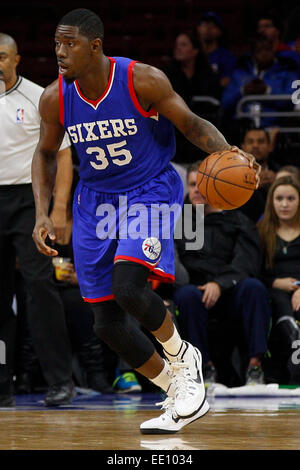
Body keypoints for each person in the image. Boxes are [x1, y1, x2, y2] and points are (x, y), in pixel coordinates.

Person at [31, 9, 259, 434]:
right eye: (56, 44)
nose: (60, 53)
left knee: (128, 285)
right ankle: (176, 389)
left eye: (70, 44)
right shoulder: (54, 97)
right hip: (95, 201)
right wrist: (43, 212)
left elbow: (190, 124)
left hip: (149, 189)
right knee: (107, 323)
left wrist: (230, 151)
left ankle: (183, 356)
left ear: (95, 46)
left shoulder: (142, 79)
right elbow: (45, 154)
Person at [0, 32, 75, 407]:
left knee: (40, 288)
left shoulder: (37, 96)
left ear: (16, 60)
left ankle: (60, 381)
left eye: (1, 57)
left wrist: (58, 210)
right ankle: (1, 385)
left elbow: (62, 156)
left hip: (29, 199)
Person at [173, 162, 272, 386]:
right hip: (194, 293)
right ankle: (204, 369)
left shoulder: (238, 221)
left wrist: (219, 284)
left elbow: (247, 263)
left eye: (202, 185)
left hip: (232, 292)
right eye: (192, 185)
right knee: (186, 295)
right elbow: (174, 266)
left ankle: (255, 367)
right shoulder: (178, 223)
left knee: (254, 288)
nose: (197, 190)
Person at [257, 176, 300, 384]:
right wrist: (276, 283)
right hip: (273, 291)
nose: (284, 204)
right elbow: (254, 271)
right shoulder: (262, 232)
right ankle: (291, 334)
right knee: (279, 298)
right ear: (271, 202)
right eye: (279, 198)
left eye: (291, 198)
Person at [164, 30, 221, 164]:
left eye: (183, 45)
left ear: (195, 51)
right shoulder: (167, 74)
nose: (178, 48)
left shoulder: (207, 74)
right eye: (177, 45)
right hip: (176, 132)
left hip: (202, 130)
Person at [222, 34, 299, 129]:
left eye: (267, 50)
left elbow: (294, 101)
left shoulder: (286, 72)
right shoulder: (241, 73)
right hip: (242, 127)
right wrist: (243, 91)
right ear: (253, 53)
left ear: (273, 50)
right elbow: (225, 103)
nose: (264, 54)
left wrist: (267, 91)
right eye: (259, 51)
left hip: (274, 126)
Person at [240, 128, 280, 223]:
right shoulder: (231, 176)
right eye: (250, 142)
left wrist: (277, 186)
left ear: (270, 146)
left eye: (261, 142)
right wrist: (251, 187)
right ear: (242, 147)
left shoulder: (280, 173)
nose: (255, 146)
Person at [196, 11, 237, 89]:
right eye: (204, 25)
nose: (208, 28)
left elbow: (227, 81)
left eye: (213, 26)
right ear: (198, 28)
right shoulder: (192, 54)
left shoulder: (227, 57)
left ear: (220, 31)